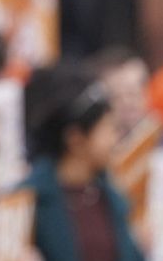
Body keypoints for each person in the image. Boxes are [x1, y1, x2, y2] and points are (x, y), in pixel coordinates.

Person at [17, 64, 144, 261]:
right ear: (75, 138)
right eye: (108, 129)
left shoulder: (112, 196)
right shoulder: (26, 201)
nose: (115, 140)